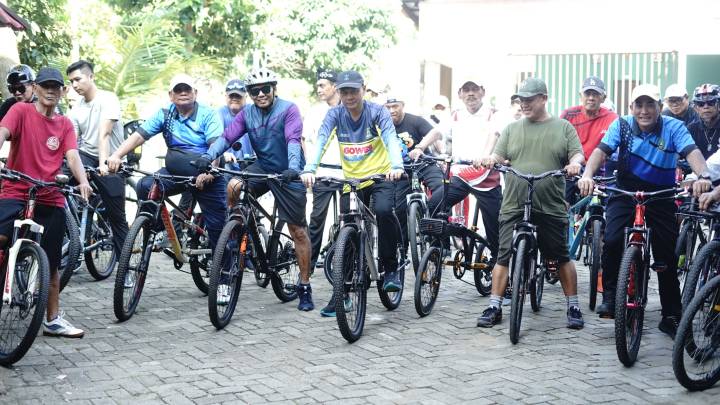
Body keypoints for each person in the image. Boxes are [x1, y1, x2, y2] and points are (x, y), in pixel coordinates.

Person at [578, 84, 712, 337]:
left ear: (659, 107)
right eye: (638, 105)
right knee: (613, 239)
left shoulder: (674, 127)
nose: (644, 110)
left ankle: (670, 314)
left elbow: (691, 152)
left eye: (650, 104)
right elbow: (600, 151)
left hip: (661, 194)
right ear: (631, 108)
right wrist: (587, 174)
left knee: (666, 256)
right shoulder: (622, 125)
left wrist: (703, 175)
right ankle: (610, 296)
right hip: (625, 191)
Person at [195, 67, 315, 311]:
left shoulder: (288, 109)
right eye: (254, 91)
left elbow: (293, 140)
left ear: (274, 89)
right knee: (234, 185)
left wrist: (293, 168)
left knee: (298, 231)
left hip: (287, 172)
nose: (260, 94)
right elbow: (227, 137)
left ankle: (304, 286)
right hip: (263, 166)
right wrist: (208, 156)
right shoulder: (247, 113)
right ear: (249, 94)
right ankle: (238, 227)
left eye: (265, 89)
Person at [477, 77, 586, 329]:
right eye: (521, 100)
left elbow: (577, 153)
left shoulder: (563, 127)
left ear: (544, 98)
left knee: (560, 255)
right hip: (515, 202)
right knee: (503, 255)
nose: (524, 104)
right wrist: (490, 159)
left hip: (550, 203)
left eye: (529, 99)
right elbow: (498, 155)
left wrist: (574, 164)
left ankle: (573, 306)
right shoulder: (512, 129)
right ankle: (494, 306)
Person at [301, 70, 405, 311]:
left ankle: (390, 268)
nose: (349, 96)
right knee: (346, 229)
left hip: (380, 176)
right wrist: (310, 168)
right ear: (339, 92)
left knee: (383, 211)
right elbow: (322, 139)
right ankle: (343, 293)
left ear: (363, 89)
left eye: (353, 91)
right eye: (344, 92)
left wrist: (396, 166)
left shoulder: (377, 112)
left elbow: (390, 137)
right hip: (353, 180)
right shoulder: (335, 114)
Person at [0, 67, 92, 338]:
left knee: (51, 264)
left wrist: (83, 181)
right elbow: (2, 132)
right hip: (16, 190)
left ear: (63, 91)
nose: (50, 91)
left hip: (50, 195)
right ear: (36, 89)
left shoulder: (65, 124)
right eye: (45, 86)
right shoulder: (20, 111)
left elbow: (72, 156)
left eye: (56, 87)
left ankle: (52, 320)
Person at [106, 74, 227, 263]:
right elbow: (139, 136)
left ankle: (225, 274)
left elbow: (216, 146)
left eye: (187, 89)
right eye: (178, 90)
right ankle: (155, 227)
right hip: (174, 174)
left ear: (195, 93)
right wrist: (116, 155)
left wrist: (210, 171)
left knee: (218, 229)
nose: (183, 93)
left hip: (207, 175)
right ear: (171, 95)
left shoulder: (208, 114)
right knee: (144, 186)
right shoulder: (165, 114)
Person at [429, 80, 502, 266]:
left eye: (474, 89)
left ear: (482, 92)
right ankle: (441, 246)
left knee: (495, 224)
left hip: (486, 177)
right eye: (466, 90)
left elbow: (495, 134)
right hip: (460, 175)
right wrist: (420, 147)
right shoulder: (455, 114)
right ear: (460, 94)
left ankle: (498, 262)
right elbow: (437, 132)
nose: (470, 93)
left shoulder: (494, 114)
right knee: (435, 203)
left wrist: (486, 155)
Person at [65, 60, 128, 260]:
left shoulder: (108, 99)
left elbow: (104, 134)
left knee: (117, 216)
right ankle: (69, 235)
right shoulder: (76, 108)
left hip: (111, 158)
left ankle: (125, 266)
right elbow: (72, 142)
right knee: (55, 182)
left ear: (91, 76)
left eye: (78, 79)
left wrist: (103, 164)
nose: (74, 85)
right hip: (86, 155)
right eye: (71, 81)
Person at [303, 68, 343, 315]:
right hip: (323, 173)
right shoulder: (315, 112)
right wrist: (311, 168)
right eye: (317, 85)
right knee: (316, 220)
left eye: (323, 85)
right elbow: (306, 140)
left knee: (348, 222)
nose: (319, 89)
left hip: (348, 174)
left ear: (335, 86)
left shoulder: (347, 108)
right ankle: (306, 272)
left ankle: (348, 272)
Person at [384, 95, 444, 250]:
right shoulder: (383, 125)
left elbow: (436, 133)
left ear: (402, 105)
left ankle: (440, 242)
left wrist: (420, 147)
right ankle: (402, 249)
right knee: (398, 208)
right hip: (402, 170)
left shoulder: (414, 120)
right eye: (388, 107)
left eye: (395, 106)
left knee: (442, 190)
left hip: (423, 164)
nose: (391, 110)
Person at [560, 76, 619, 203]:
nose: (591, 98)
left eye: (596, 94)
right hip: (573, 170)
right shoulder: (568, 115)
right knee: (563, 206)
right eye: (587, 93)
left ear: (603, 98)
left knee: (612, 204)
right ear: (580, 96)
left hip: (601, 173)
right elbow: (558, 143)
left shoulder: (612, 118)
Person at [217, 78, 254, 172]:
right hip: (227, 164)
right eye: (231, 95)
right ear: (226, 96)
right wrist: (223, 154)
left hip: (252, 163)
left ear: (246, 96)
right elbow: (216, 138)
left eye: (238, 96)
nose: (234, 98)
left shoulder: (253, 111)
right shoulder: (219, 113)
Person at [687, 84, 720, 159]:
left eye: (711, 102)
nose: (706, 107)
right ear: (696, 108)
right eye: (700, 104)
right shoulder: (691, 129)